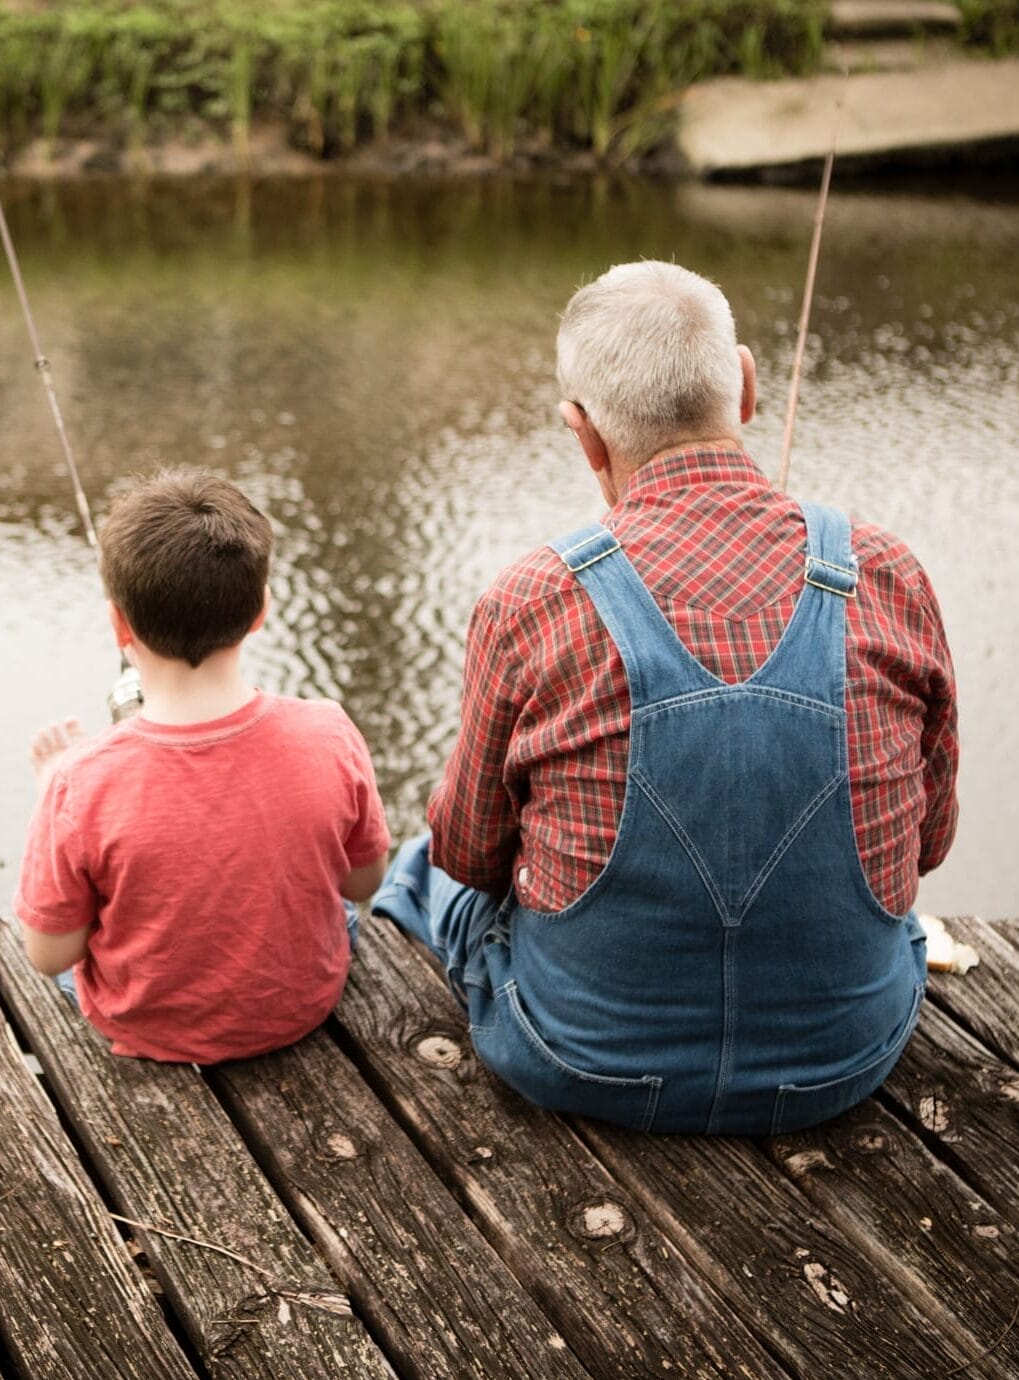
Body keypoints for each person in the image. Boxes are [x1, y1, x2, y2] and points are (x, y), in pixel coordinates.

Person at [372, 261, 958, 1135]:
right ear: (746, 384)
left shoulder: (532, 599)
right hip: (844, 1058)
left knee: (426, 862)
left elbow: (473, 854)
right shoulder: (888, 573)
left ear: (583, 432)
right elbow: (931, 844)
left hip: (577, 1058)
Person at [15, 469, 390, 1064]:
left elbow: (49, 955)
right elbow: (363, 884)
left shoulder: (76, 781)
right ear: (260, 610)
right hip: (302, 1006)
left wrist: (50, 794)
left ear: (119, 625)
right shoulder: (328, 728)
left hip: (150, 1031)